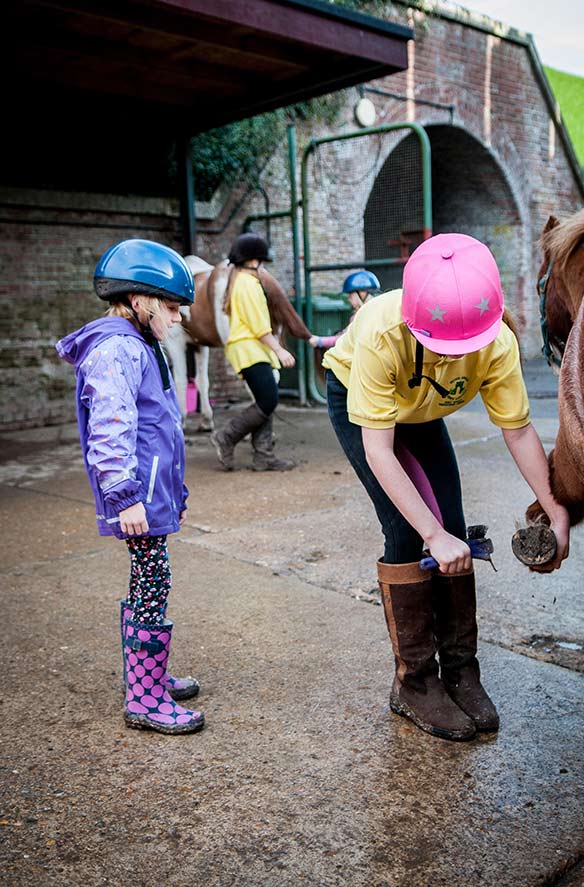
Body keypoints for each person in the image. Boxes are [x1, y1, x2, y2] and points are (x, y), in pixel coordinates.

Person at [322, 233, 570, 742]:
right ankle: (413, 682)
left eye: (468, 346)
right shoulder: (379, 331)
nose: (458, 356)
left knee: (454, 527)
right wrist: (432, 535)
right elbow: (380, 452)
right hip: (367, 410)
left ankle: (461, 670)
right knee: (409, 535)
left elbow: (519, 430)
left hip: (423, 410)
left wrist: (555, 507)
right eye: (443, 346)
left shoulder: (498, 342)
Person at [56, 239, 205, 736]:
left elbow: (155, 425)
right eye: (172, 306)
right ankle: (144, 697)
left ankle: (150, 679)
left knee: (150, 581)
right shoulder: (118, 347)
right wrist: (125, 495)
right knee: (151, 583)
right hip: (134, 496)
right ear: (139, 301)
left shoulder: (137, 343)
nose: (180, 316)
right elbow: (111, 425)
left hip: (148, 491)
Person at [211, 232, 297, 472]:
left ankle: (263, 455)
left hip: (251, 349)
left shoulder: (240, 280)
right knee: (269, 400)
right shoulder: (248, 284)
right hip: (250, 349)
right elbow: (260, 326)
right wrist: (279, 350)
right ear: (253, 260)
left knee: (264, 400)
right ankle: (226, 437)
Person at [309, 270, 381, 350]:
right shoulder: (376, 311)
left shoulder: (362, 316)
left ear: (362, 294)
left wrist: (319, 341)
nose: (349, 300)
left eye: (350, 296)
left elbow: (345, 340)